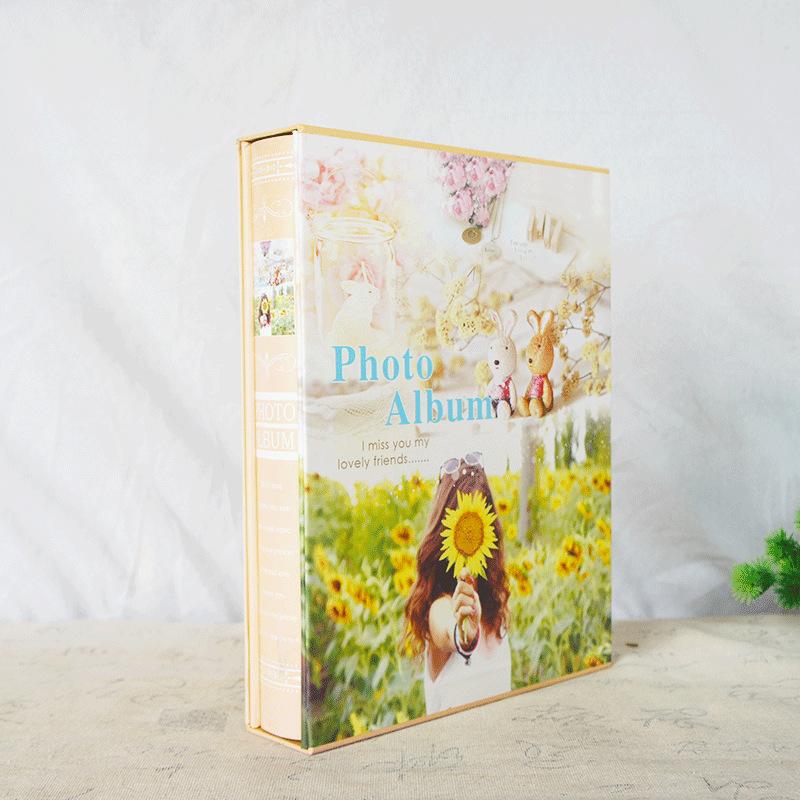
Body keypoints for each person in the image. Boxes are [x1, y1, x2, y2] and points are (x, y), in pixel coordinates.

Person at [403, 453, 511, 714]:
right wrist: (464, 634)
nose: (470, 534)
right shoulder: (440, 607)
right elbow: (447, 630)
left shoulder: (495, 612)